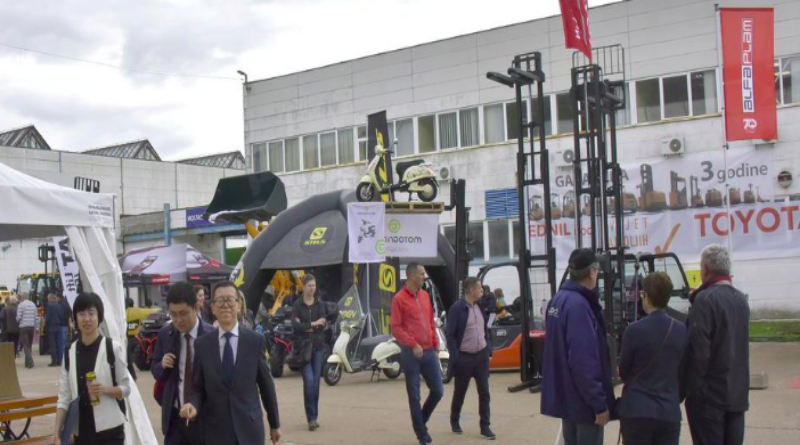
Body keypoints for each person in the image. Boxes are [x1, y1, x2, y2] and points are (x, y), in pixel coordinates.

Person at [179, 281, 281, 445]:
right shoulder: (202, 345)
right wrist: (193, 405)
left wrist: (275, 424)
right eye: (220, 301)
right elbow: (198, 387)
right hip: (216, 431)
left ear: (239, 305)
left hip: (250, 428)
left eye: (230, 300)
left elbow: (266, 385)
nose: (225, 305)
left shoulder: (255, 341)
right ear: (212, 307)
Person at [541, 248, 615, 445]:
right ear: (592, 273)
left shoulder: (558, 300)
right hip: (584, 405)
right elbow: (583, 361)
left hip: (569, 400)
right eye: (597, 270)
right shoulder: (579, 306)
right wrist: (598, 404)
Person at [683, 244, 750, 445]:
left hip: (710, 398)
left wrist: (693, 389)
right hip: (737, 395)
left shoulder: (704, 300)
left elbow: (699, 352)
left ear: (705, 269)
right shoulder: (741, 299)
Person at [617, 272, 687, 445]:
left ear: (645, 296)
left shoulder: (633, 330)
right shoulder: (681, 329)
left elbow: (624, 372)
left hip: (637, 409)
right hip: (668, 410)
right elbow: (684, 370)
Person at [54, 292, 131, 445]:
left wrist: (105, 390)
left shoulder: (112, 348)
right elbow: (64, 398)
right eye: (81, 314)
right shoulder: (70, 352)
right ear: (75, 318)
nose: (87, 319)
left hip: (110, 431)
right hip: (81, 430)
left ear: (99, 317)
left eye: (91, 313)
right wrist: (56, 433)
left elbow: (126, 389)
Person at [152, 282, 213, 445]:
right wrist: (162, 366)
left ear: (195, 308)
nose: (178, 320)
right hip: (175, 418)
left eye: (183, 313)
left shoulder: (211, 336)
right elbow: (155, 368)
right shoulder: (166, 334)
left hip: (205, 418)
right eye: (173, 314)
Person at [391, 262, 443, 445]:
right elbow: (395, 329)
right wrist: (412, 344)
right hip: (410, 353)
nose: (425, 276)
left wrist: (436, 345)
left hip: (428, 351)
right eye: (422, 274)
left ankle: (420, 421)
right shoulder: (399, 299)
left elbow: (430, 322)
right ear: (412, 276)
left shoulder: (425, 296)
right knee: (414, 396)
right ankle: (422, 435)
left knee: (438, 390)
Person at [445, 277, 495, 440]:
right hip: (464, 357)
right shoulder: (457, 309)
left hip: (481, 356)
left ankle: (485, 426)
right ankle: (454, 419)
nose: (482, 291)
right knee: (460, 391)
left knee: (484, 392)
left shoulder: (480, 305)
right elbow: (450, 334)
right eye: (479, 288)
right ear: (471, 291)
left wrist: (488, 349)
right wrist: (455, 356)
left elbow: (488, 320)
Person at [291, 274, 328, 431]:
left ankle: (314, 416)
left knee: (316, 384)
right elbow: (296, 326)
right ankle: (311, 418)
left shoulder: (320, 304)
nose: (312, 288)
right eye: (309, 286)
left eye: (314, 285)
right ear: (303, 287)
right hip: (304, 348)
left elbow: (323, 324)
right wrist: (313, 324)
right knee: (309, 382)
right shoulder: (297, 306)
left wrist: (307, 326)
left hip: (318, 347)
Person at [16, 292, 38, 369]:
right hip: (31, 326)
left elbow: (18, 317)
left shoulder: (21, 305)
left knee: (25, 345)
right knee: (29, 345)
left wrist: (17, 321)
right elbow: (36, 317)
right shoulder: (33, 304)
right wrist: (36, 328)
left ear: (22, 297)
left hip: (23, 327)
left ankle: (30, 362)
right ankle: (27, 363)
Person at [45, 293, 65, 367]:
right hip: (58, 325)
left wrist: (46, 324)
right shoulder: (59, 305)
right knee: (59, 344)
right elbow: (61, 315)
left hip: (51, 326)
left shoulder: (49, 305)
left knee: (52, 344)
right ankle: (60, 360)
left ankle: (54, 361)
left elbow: (48, 317)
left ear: (50, 298)